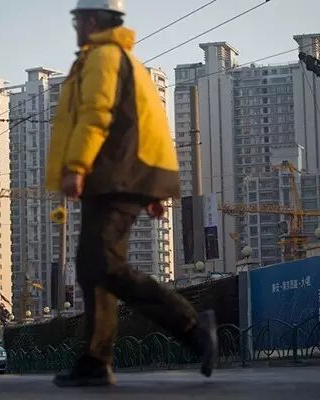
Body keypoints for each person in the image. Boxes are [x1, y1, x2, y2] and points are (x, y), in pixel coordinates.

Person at [45, 0, 217, 387]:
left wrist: (76, 165)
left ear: (91, 20)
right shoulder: (126, 61)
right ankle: (95, 359)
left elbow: (96, 113)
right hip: (122, 175)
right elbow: (147, 123)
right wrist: (153, 186)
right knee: (93, 268)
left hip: (115, 176)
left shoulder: (104, 57)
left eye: (77, 20)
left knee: (103, 266)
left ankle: (192, 326)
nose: (75, 27)